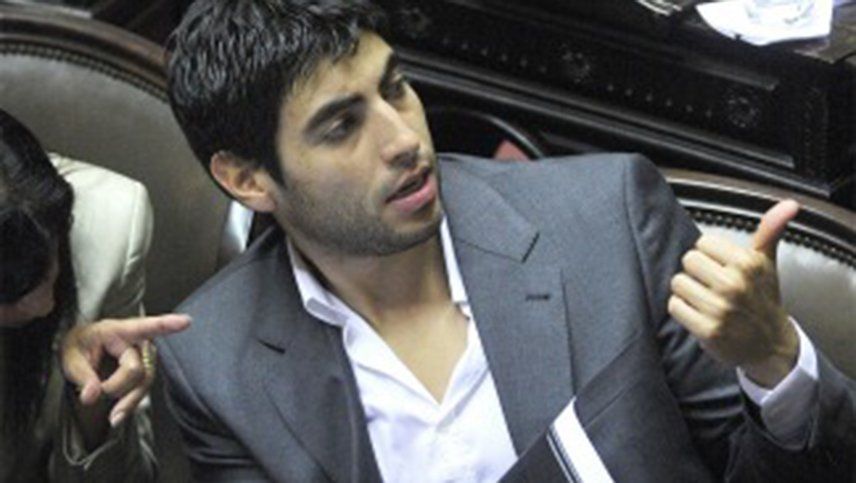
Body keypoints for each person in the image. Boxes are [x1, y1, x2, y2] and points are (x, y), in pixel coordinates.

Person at [158, 1, 855, 481]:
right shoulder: (214, 363)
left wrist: (773, 361)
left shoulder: (609, 223)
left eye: (395, 88)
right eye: (342, 127)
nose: (404, 140)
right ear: (247, 178)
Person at [0, 108, 190, 482]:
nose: (45, 305)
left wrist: (95, 397)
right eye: (10, 297)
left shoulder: (110, 227)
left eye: (49, 272)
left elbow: (132, 477)